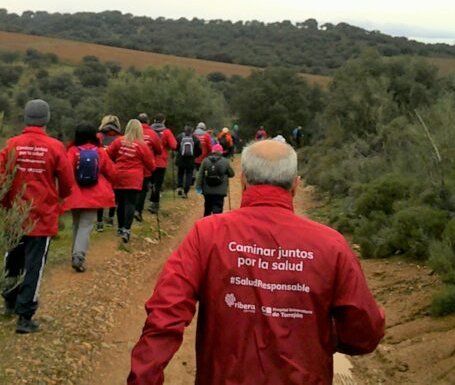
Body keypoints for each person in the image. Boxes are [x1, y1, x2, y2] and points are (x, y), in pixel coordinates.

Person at [128, 140, 385, 383]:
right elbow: (364, 335)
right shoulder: (332, 245)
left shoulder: (207, 234)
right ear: (295, 185)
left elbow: (165, 314)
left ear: (243, 180)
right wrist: (316, 331)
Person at [0, 99, 75, 334]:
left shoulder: (12, 144)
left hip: (14, 216)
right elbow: (67, 183)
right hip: (42, 215)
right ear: (47, 119)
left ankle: (9, 300)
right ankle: (24, 316)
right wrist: (59, 198)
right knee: (34, 266)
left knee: (12, 260)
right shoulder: (56, 146)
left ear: (26, 118)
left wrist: (0, 206)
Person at [62, 123, 116, 272]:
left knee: (76, 224)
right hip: (94, 195)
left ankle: (74, 254)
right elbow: (111, 171)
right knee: (86, 225)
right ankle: (78, 256)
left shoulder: (72, 151)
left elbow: (66, 172)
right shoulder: (99, 151)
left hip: (75, 195)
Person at [107, 119, 156, 242]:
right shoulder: (142, 145)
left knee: (121, 203)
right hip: (134, 178)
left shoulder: (119, 141)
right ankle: (126, 230)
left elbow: (108, 154)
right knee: (130, 203)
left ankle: (119, 227)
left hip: (118, 175)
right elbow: (151, 165)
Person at [134, 113, 163, 222]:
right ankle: (137, 211)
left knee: (132, 190)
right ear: (148, 121)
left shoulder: (132, 133)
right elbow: (159, 150)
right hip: (146, 166)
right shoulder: (152, 133)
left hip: (132, 165)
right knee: (142, 190)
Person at [96, 115, 123, 231]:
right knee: (115, 193)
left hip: (100, 168)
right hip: (115, 167)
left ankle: (99, 222)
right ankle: (111, 218)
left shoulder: (99, 136)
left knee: (100, 193)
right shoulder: (120, 138)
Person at [149, 113, 177, 214]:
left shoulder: (149, 131)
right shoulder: (166, 132)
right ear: (163, 121)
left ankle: (147, 202)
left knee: (150, 182)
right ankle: (154, 204)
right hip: (161, 162)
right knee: (157, 183)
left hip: (148, 161)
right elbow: (174, 145)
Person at [195, 144, 234, 216]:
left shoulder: (205, 161)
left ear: (212, 151)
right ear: (221, 152)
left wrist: (198, 186)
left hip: (207, 190)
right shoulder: (225, 161)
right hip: (220, 191)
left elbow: (200, 174)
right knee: (218, 209)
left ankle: (206, 224)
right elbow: (232, 174)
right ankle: (216, 224)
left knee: (207, 207)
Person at [174, 125, 202, 198]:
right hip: (190, 160)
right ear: (192, 130)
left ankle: (180, 187)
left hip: (180, 159)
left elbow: (175, 147)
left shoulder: (180, 137)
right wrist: (195, 156)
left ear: (185, 130)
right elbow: (199, 151)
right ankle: (186, 191)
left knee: (180, 173)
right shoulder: (195, 138)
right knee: (189, 175)